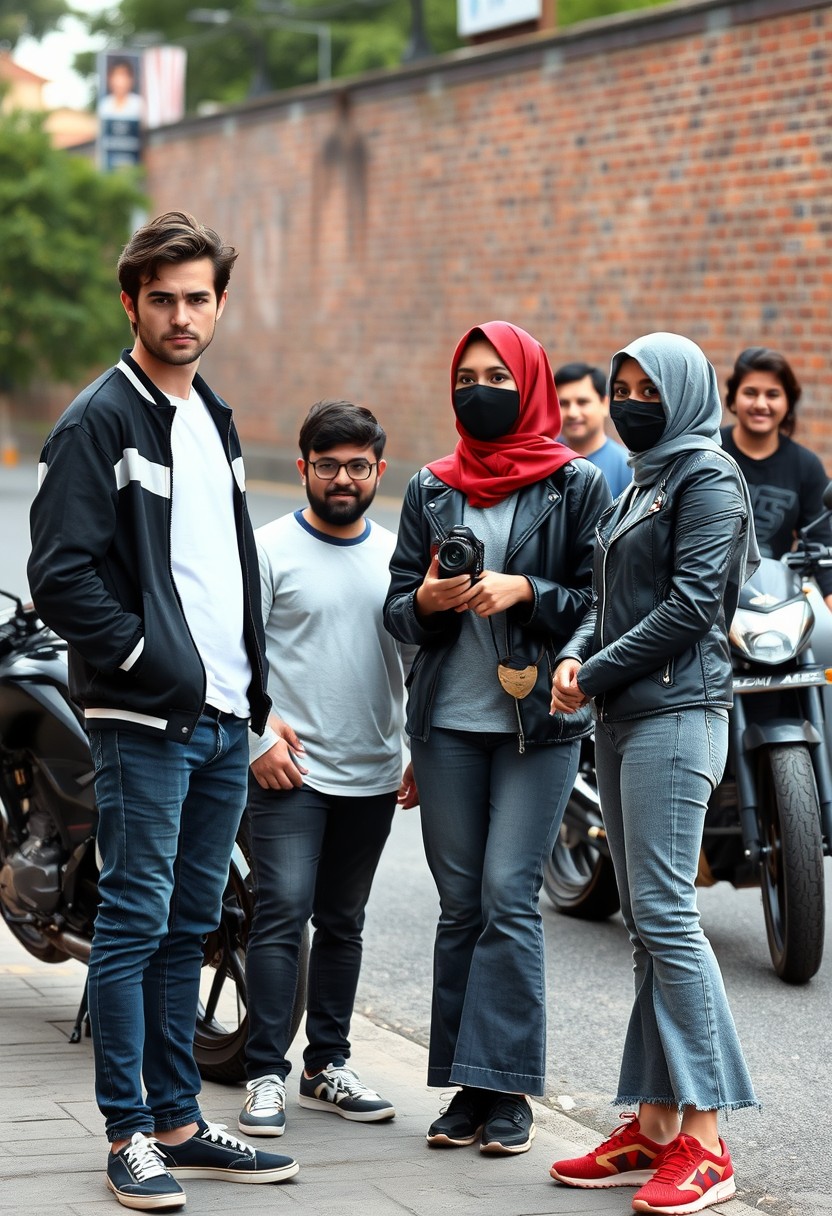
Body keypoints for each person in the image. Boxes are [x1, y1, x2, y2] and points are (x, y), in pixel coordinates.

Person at [27, 211, 298, 1211]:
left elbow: (218, 565)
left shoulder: (211, 414)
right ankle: (127, 1134)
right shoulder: (100, 417)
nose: (182, 316)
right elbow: (58, 576)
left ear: (218, 303)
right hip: (151, 718)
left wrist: (243, 694)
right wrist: (155, 665)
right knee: (137, 923)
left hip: (225, 719)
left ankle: (180, 1118)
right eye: (164, 299)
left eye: (199, 299)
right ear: (132, 301)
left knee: (190, 920)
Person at [383, 321, 610, 1155]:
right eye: (466, 376)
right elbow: (396, 605)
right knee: (461, 905)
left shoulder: (576, 484)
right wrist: (429, 603)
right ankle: (467, 1089)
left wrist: (525, 590)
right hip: (447, 724)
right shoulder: (428, 487)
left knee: (509, 895)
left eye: (497, 376)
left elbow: (599, 601)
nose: (479, 389)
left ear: (531, 383)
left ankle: (508, 1089)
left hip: (537, 725)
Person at [549, 332, 759, 1215]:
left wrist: (591, 673)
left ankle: (707, 1141)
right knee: (643, 920)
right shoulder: (643, 480)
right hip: (628, 716)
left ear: (682, 391)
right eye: (621, 384)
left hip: (679, 712)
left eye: (645, 387)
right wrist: (571, 654)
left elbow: (691, 606)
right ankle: (655, 1121)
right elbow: (606, 599)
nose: (630, 400)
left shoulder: (708, 476)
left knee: (668, 914)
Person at [238, 399, 416, 1138]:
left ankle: (327, 1066)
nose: (343, 478)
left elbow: (417, 659)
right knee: (281, 912)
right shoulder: (268, 548)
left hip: (373, 770)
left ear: (378, 468)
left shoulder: (399, 556)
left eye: (357, 465)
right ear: (304, 466)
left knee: (343, 921)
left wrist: (420, 753)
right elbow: (231, 657)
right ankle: (262, 1076)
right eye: (328, 465)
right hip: (290, 772)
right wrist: (257, 741)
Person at [721, 345, 832, 609]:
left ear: (788, 402)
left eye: (773, 394)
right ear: (733, 399)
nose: (761, 404)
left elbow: (823, 542)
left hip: (775, 602)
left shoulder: (806, 466)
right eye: (750, 393)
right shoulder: (709, 452)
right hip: (708, 598)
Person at [554, 360, 631, 497]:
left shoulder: (627, 469)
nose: (572, 413)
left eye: (582, 402)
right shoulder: (545, 459)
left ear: (604, 404)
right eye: (563, 403)